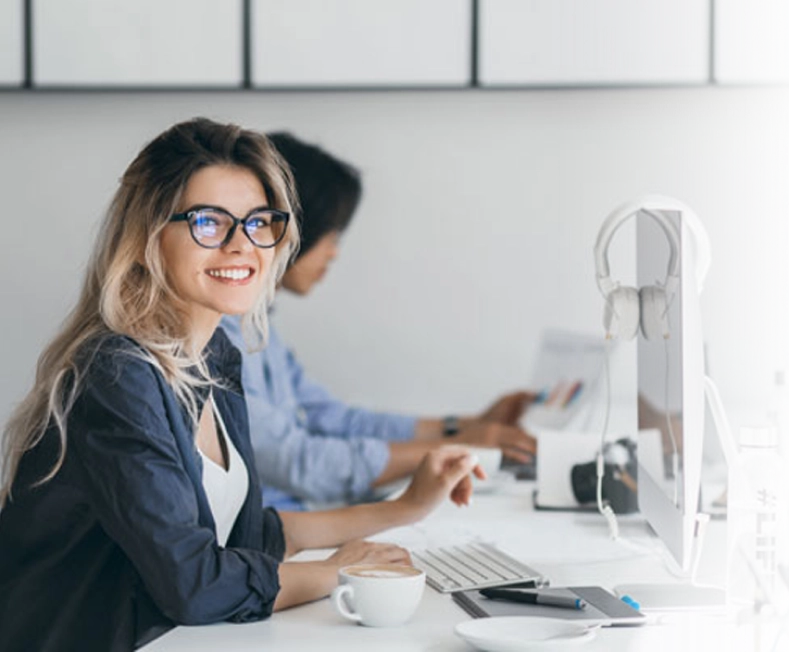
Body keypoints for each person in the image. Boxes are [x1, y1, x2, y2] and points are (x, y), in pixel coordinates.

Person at [0, 118, 483, 652]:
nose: (241, 245)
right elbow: (196, 585)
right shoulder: (117, 374)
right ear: (146, 238)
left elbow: (246, 534)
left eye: (259, 223)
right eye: (209, 222)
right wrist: (336, 573)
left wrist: (405, 509)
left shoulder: (213, 355)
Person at [221, 132, 536, 510]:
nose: (334, 253)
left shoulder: (259, 328)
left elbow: (335, 419)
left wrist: (464, 428)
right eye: (331, 234)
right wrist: (460, 446)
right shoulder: (217, 338)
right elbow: (298, 461)